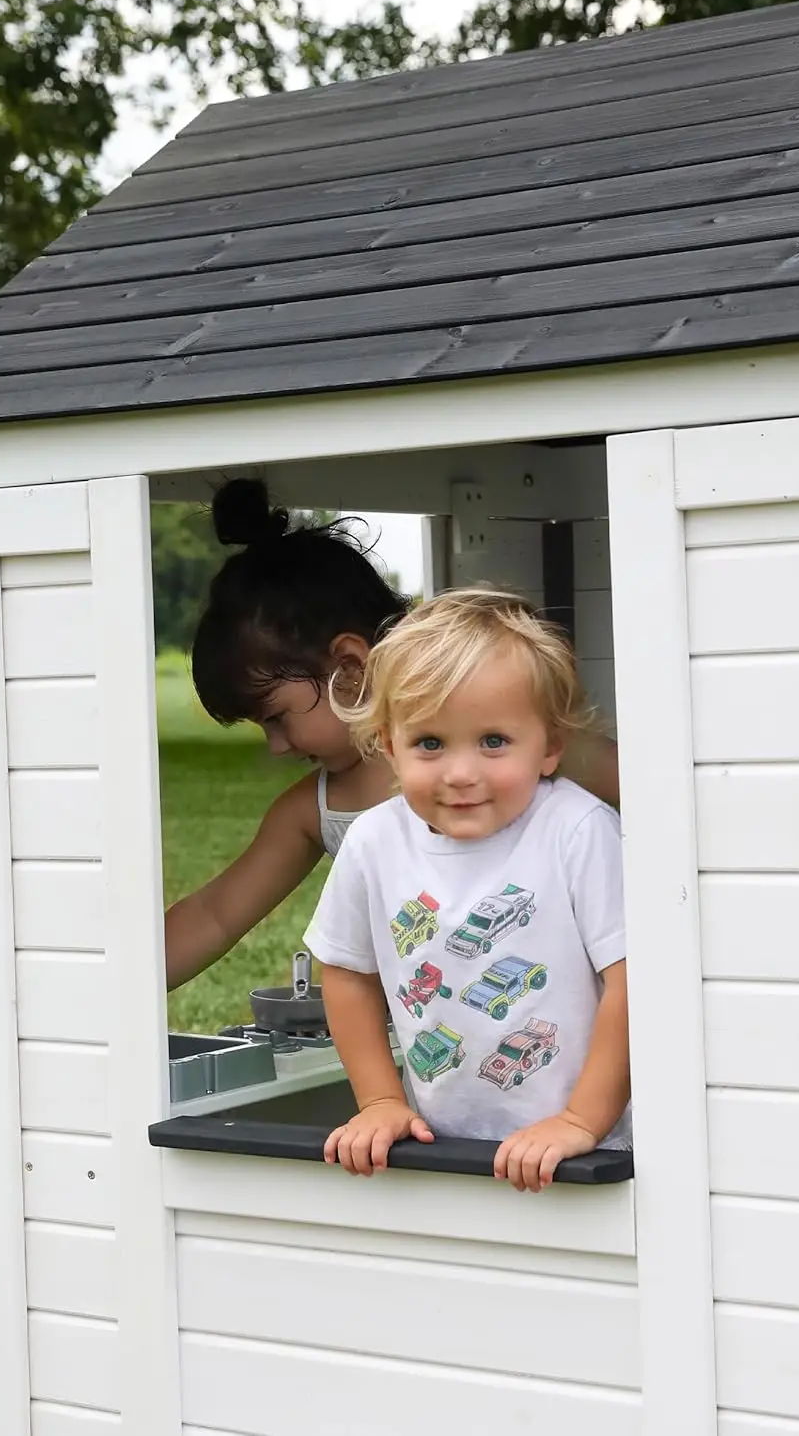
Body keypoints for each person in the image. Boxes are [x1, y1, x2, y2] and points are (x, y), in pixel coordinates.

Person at [163, 481, 620, 991]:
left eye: (276, 718)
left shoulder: (511, 739)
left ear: (350, 668)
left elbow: (660, 809)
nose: (276, 745)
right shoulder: (314, 812)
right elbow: (215, 914)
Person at [307, 589, 630, 1192]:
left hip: (589, 1156)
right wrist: (379, 1100)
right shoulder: (374, 841)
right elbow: (346, 970)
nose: (461, 773)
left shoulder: (578, 831)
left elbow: (633, 982)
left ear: (550, 745)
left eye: (493, 742)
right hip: (442, 1153)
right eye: (430, 743)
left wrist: (581, 1120)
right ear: (388, 745)